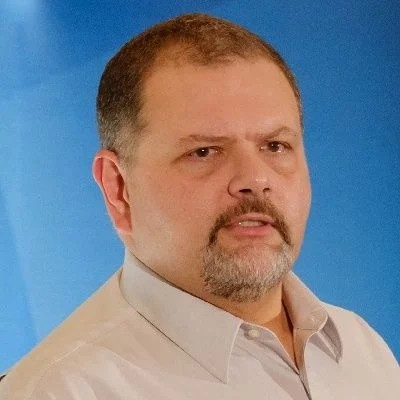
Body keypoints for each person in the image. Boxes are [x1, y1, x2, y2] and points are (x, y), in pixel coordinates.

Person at [1, 13, 398, 400]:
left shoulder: (363, 348)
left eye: (275, 146)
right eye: (204, 151)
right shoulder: (59, 391)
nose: (254, 178)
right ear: (118, 188)